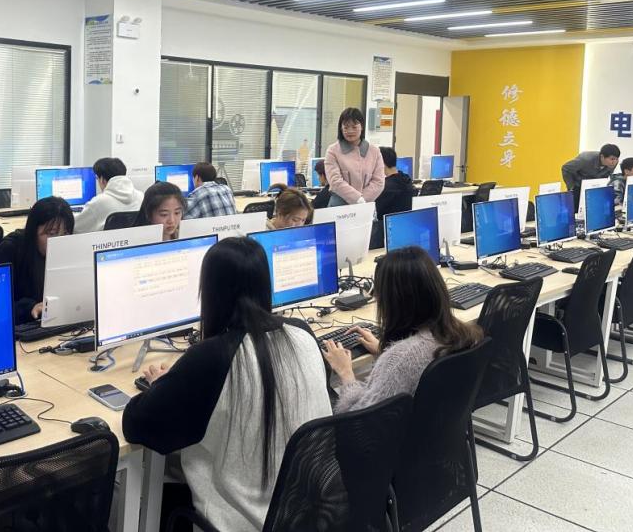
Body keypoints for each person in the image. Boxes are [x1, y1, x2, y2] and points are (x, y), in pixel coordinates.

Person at [123, 237, 331, 532]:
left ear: (211, 292)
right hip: (311, 515)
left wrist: (162, 386)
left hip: (243, 522)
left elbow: (137, 424)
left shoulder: (213, 357)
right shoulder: (302, 333)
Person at [322, 246, 482, 412]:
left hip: (397, 429)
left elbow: (359, 418)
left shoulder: (399, 360)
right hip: (440, 426)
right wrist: (384, 351)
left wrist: (346, 373)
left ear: (393, 300)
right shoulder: (463, 333)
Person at [0, 196, 73, 324]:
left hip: (58, 322)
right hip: (22, 326)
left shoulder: (69, 249)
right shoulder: (10, 250)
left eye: (65, 234)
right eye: (51, 233)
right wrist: (29, 308)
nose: (58, 241)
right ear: (33, 231)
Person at [324, 107, 385, 207]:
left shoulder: (374, 151)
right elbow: (335, 181)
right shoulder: (332, 151)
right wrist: (357, 199)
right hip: (339, 206)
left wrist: (362, 200)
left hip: (366, 205)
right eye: (346, 127)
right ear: (341, 128)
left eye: (354, 127)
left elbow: (379, 182)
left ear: (362, 126)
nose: (350, 131)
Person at [73, 157, 144, 234]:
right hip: (136, 240)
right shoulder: (141, 196)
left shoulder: (99, 202)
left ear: (102, 179)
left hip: (105, 242)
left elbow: (75, 227)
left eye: (97, 178)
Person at [371, 147, 416, 248]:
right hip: (402, 232)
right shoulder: (406, 179)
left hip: (384, 234)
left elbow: (372, 212)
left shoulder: (385, 188)